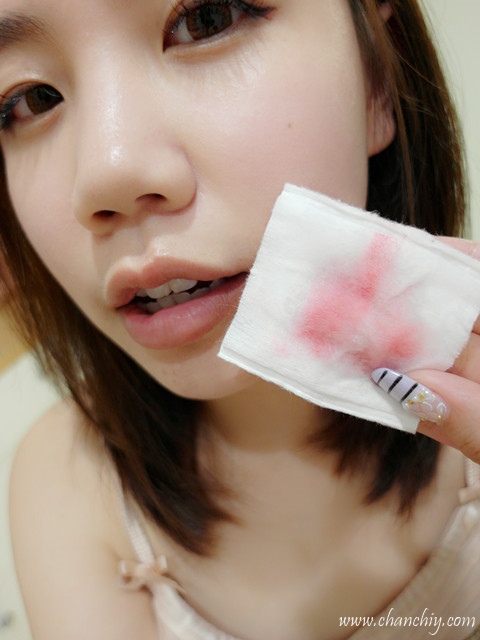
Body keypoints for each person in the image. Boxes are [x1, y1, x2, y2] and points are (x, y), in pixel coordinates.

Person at [1, 0, 480, 638]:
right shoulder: (65, 483)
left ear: (377, 82)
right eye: (29, 100)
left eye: (207, 19)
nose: (107, 175)